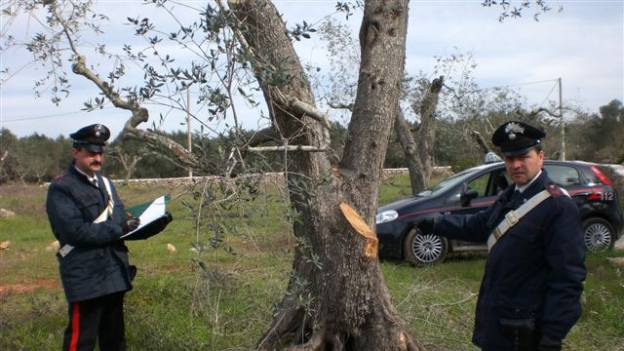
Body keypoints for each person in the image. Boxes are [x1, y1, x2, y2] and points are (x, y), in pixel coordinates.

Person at [418, 121, 586, 351]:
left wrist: (552, 336)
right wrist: (438, 223)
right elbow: (480, 225)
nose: (516, 164)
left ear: (540, 156)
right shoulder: (511, 194)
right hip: (499, 318)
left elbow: (568, 278)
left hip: (527, 329)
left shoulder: (558, 207)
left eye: (523, 156)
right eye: (509, 158)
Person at [46, 124, 172, 351]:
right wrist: (119, 228)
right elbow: (74, 232)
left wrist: (156, 224)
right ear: (76, 152)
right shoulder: (61, 187)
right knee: (80, 342)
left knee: (114, 342)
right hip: (85, 276)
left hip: (113, 272)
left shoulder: (106, 184)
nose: (97, 157)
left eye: (100, 152)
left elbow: (123, 225)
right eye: (91, 152)